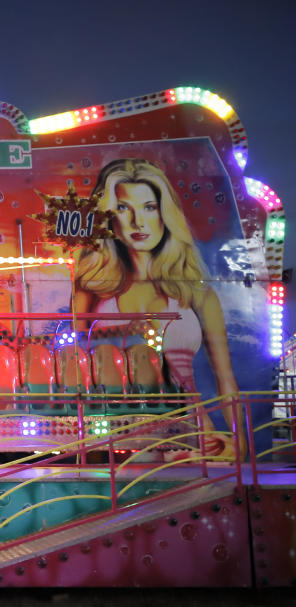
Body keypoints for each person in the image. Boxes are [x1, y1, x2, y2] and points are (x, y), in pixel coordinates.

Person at [73, 158, 241, 458]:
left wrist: (243, 444)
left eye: (149, 207)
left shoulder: (196, 293)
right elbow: (77, 369)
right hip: (116, 428)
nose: (139, 222)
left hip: (187, 429)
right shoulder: (92, 287)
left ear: (165, 214)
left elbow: (226, 378)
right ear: (109, 216)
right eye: (124, 208)